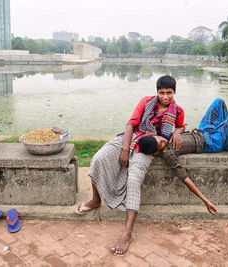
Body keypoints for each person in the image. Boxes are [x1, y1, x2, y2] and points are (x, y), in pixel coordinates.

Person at [75, 75, 185, 255]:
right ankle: (96, 200)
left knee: (134, 179)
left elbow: (180, 126)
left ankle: (127, 233)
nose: (165, 97)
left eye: (169, 93)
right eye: (162, 93)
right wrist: (125, 149)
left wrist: (179, 132)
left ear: (174, 92)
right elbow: (131, 124)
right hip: (133, 137)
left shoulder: (178, 111)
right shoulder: (146, 102)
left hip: (149, 147)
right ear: (157, 92)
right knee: (99, 158)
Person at [138, 98, 228, 208]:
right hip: (212, 142)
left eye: (159, 138)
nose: (163, 140)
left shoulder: (160, 138)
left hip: (203, 130)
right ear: (156, 152)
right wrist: (206, 201)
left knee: (219, 102)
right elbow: (184, 178)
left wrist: (176, 133)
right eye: (161, 143)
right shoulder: (168, 154)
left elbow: (178, 127)